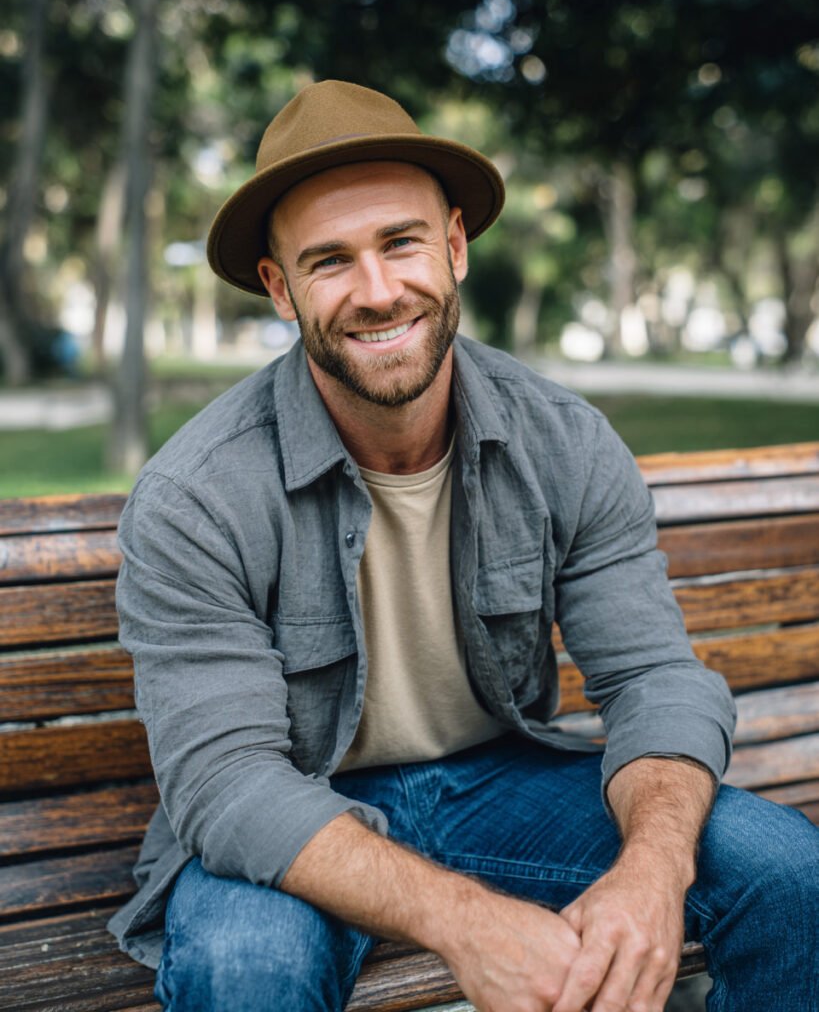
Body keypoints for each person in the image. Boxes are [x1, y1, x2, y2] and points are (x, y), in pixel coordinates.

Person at [109, 80, 818, 1012]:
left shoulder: (562, 440)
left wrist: (651, 869)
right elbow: (227, 782)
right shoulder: (194, 496)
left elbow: (652, 678)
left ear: (453, 245)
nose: (376, 291)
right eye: (329, 261)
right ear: (279, 289)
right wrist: (468, 923)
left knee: (788, 874)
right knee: (244, 975)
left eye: (400, 242)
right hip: (299, 805)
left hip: (499, 782)